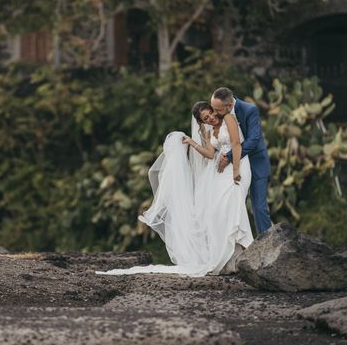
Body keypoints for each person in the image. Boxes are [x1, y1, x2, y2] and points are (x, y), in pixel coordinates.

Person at [96, 94, 257, 277]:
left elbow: (236, 144)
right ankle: (232, 258)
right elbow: (211, 154)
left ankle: (247, 247)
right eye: (205, 118)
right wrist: (192, 143)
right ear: (201, 122)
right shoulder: (209, 131)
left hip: (238, 165)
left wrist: (235, 168)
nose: (211, 118)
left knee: (234, 202)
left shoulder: (228, 118)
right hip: (220, 170)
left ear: (214, 110)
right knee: (218, 210)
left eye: (211, 113)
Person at [210, 87, 271, 234]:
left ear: (229, 106)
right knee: (233, 205)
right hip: (230, 168)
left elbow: (253, 140)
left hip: (255, 162)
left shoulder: (250, 110)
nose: (214, 113)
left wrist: (229, 157)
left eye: (217, 110)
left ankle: (268, 243)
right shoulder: (216, 113)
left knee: (259, 206)